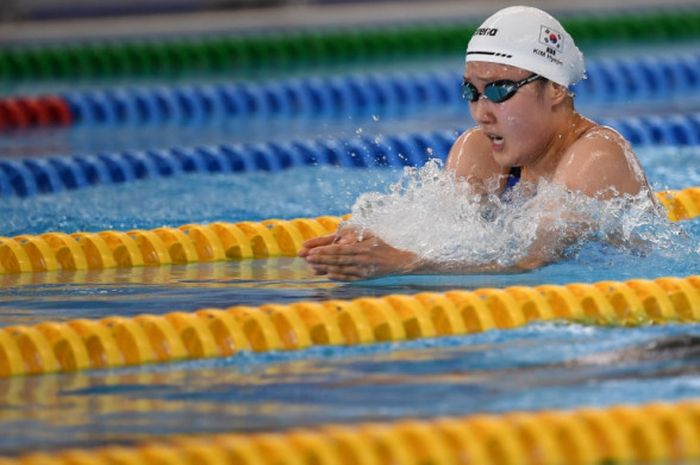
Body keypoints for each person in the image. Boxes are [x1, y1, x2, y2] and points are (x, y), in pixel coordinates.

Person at [300, 5, 653, 281]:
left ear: (556, 88)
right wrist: (370, 244)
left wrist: (405, 264)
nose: (481, 112)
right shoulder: (480, 149)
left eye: (500, 89)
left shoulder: (596, 155)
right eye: (472, 91)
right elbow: (445, 237)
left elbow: (531, 263)